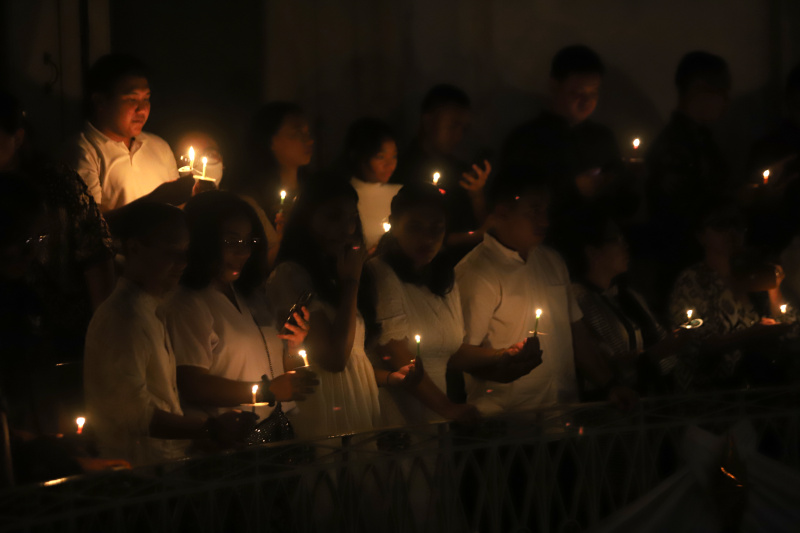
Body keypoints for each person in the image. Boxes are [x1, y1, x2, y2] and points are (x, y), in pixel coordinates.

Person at [84, 201, 256, 466]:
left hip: (163, 469)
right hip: (137, 477)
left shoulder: (151, 310)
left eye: (186, 252)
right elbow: (135, 414)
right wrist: (208, 428)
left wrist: (199, 438)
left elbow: (161, 401)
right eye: (170, 252)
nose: (182, 263)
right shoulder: (123, 318)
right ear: (134, 248)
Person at [454, 174, 638, 415]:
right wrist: (505, 361)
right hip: (507, 420)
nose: (544, 220)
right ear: (502, 212)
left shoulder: (552, 261)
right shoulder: (477, 272)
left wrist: (610, 385)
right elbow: (462, 353)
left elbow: (576, 333)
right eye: (534, 210)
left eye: (546, 210)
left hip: (563, 413)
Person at [267, 179, 421, 438]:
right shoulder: (291, 275)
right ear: (307, 219)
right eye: (332, 217)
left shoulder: (332, 273)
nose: (346, 229)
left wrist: (389, 378)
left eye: (351, 217)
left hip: (354, 401)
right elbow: (334, 358)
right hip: (323, 406)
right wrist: (351, 282)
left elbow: (353, 358)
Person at [164, 192, 318, 425]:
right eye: (231, 241)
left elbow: (277, 369)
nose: (243, 252)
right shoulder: (188, 302)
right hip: (231, 441)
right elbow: (192, 385)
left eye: (249, 242)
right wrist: (266, 392)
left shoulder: (250, 295)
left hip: (278, 433)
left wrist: (292, 347)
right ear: (203, 241)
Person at [1, 90, 115, 362]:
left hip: (65, 338)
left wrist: (107, 342)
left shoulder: (56, 184)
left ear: (17, 138)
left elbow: (96, 257)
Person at [369, 183, 484, 424]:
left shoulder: (443, 277)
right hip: (398, 414)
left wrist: (503, 357)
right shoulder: (380, 272)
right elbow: (394, 352)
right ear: (394, 224)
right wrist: (449, 408)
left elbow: (451, 351)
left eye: (437, 229)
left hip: (436, 414)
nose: (428, 238)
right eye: (415, 227)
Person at [551, 209, 682, 395]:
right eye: (616, 240)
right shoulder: (579, 300)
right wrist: (658, 352)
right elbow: (604, 364)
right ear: (592, 252)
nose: (626, 246)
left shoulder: (628, 295)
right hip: (616, 408)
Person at [668, 204, 794, 391]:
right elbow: (698, 344)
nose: (731, 232)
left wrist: (774, 289)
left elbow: (788, 326)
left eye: (737, 225)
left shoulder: (754, 274)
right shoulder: (693, 280)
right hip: (709, 391)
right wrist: (754, 334)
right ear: (701, 236)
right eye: (720, 225)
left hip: (757, 387)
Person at [502, 45, 633, 221]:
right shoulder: (526, 140)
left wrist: (626, 180)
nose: (587, 101)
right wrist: (573, 189)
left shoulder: (603, 137)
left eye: (593, 93)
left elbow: (623, 206)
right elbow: (513, 202)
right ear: (554, 85)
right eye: (578, 93)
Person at [645, 51, 733, 310]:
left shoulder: (702, 140)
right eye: (722, 92)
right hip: (684, 270)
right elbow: (680, 212)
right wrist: (732, 202)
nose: (727, 102)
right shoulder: (675, 146)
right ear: (697, 90)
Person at [63, 54, 192, 212]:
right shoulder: (83, 151)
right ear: (100, 101)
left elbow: (178, 209)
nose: (142, 109)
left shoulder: (159, 146)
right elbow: (90, 227)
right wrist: (154, 201)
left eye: (146, 99)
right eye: (132, 99)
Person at [392, 84, 491, 261]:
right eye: (453, 126)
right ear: (429, 122)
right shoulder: (399, 168)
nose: (459, 135)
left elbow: (480, 227)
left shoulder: (461, 172)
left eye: (464, 128)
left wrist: (477, 195)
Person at [224, 102, 314, 269]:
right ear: (270, 141)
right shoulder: (251, 198)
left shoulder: (314, 188)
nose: (308, 141)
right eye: (296, 134)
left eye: (307, 133)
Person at [337, 118, 402, 251]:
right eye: (381, 157)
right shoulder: (344, 198)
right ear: (359, 156)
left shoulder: (400, 193)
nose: (390, 165)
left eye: (394, 156)